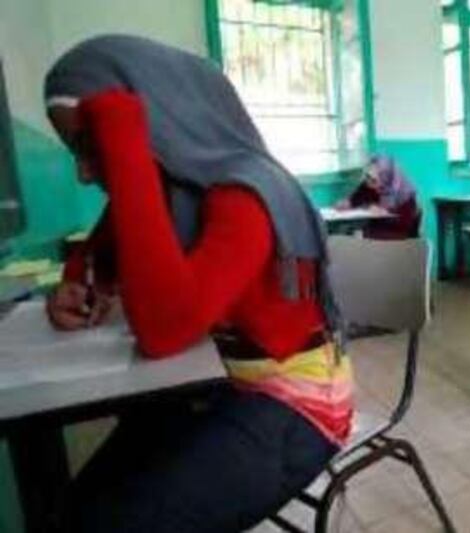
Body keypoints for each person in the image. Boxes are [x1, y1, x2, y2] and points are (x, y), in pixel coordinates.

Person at [43, 35, 352, 532]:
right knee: (77, 510)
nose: (82, 173)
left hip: (296, 406)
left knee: (107, 521)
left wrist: (125, 142)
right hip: (213, 384)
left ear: (151, 118)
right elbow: (96, 251)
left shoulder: (246, 193)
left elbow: (164, 331)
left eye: (88, 145)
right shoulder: (177, 192)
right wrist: (75, 285)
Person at [335, 155, 420, 239]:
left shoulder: (405, 194)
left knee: (356, 238)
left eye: (374, 180)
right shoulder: (368, 185)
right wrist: (347, 203)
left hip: (398, 240)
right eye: (367, 176)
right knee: (343, 233)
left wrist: (386, 211)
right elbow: (354, 199)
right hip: (373, 235)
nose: (369, 183)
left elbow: (404, 226)